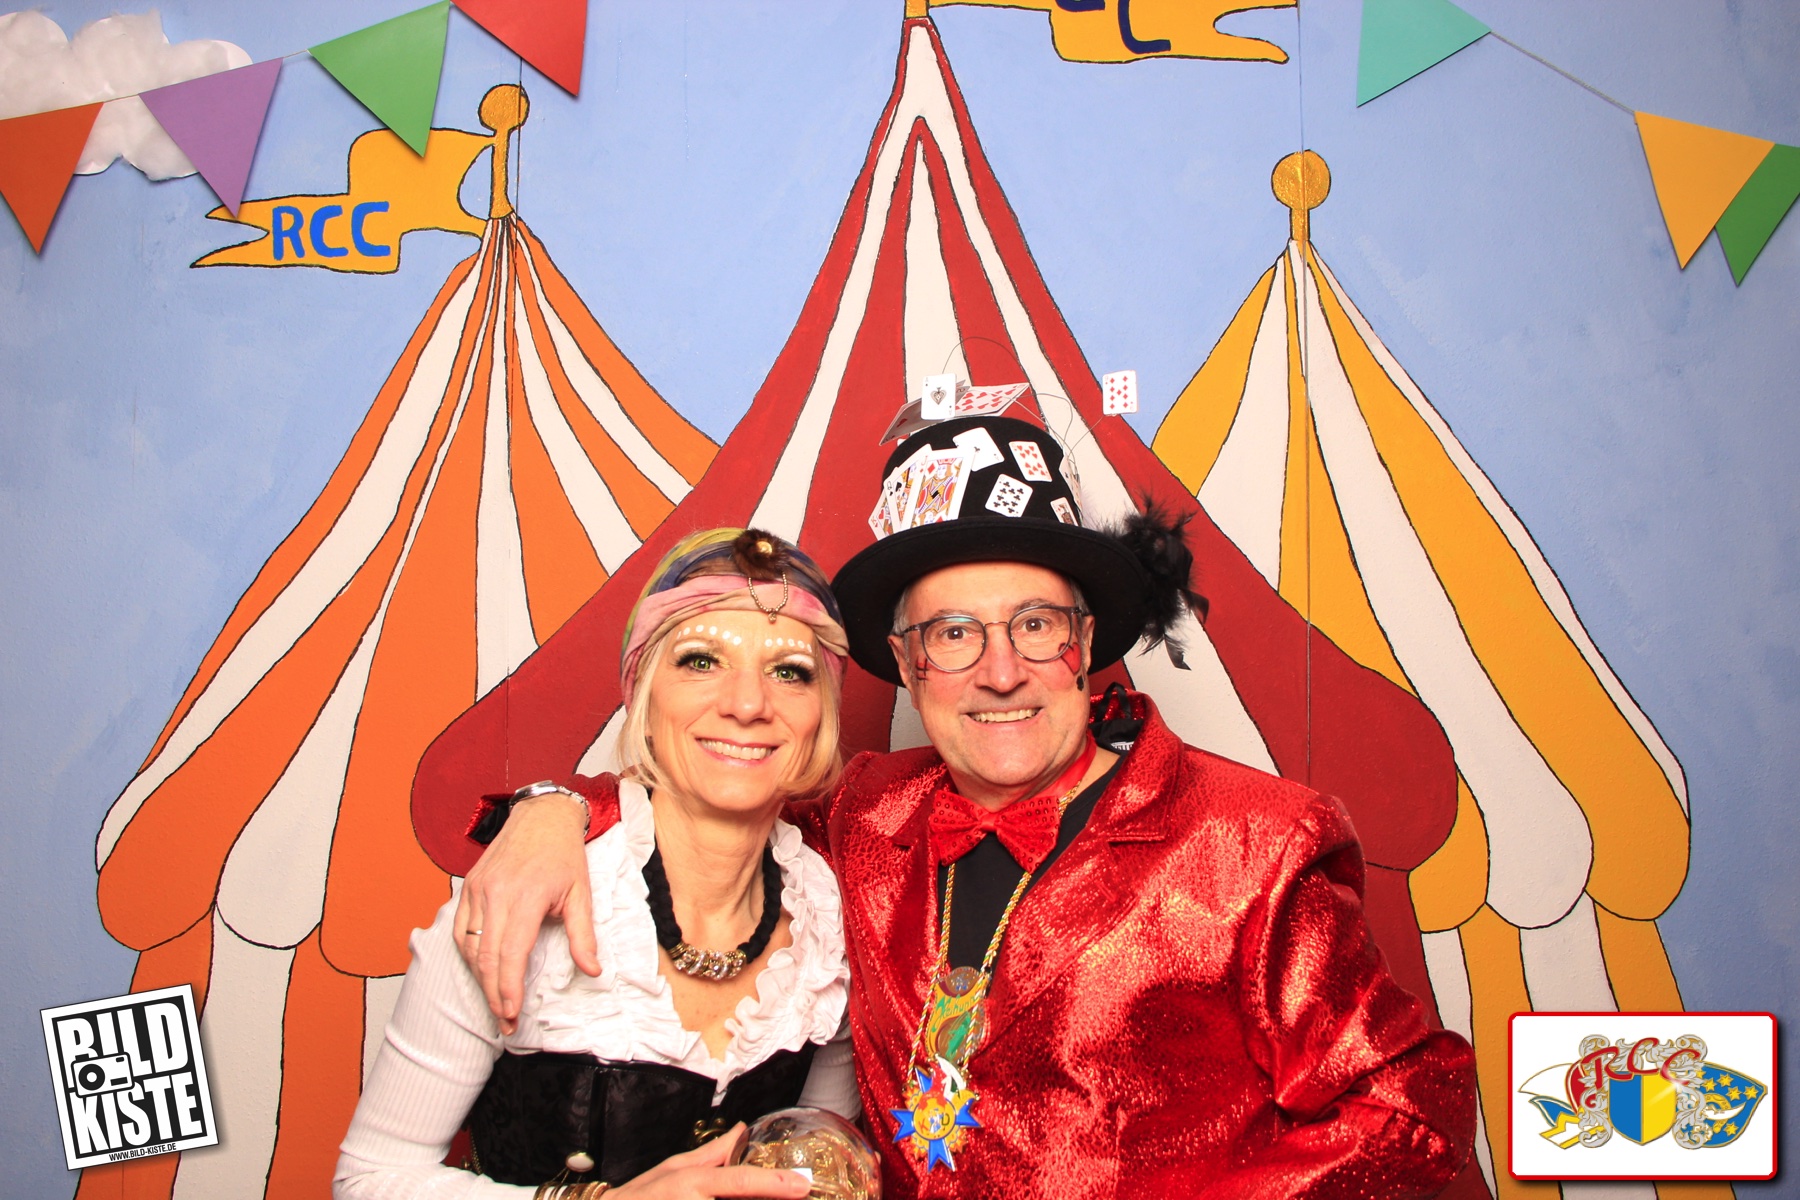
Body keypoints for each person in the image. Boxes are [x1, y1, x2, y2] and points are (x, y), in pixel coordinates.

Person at [426, 416, 1479, 1198]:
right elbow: (716, 782)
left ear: (1086, 644)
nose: (1000, 671)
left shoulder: (1256, 840)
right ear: (906, 663)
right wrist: (552, 812)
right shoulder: (860, 816)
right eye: (953, 634)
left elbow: (1411, 1112)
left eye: (1035, 625)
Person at [336, 529, 858, 1199]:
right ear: (644, 696)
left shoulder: (831, 924)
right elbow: (369, 1179)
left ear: (823, 713)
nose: (748, 704)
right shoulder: (523, 894)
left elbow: (819, 1159)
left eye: (790, 672)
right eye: (701, 661)